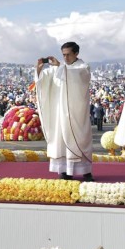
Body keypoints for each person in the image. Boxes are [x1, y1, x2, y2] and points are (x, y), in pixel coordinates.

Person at [35, 41, 94, 181]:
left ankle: (85, 171)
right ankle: (64, 170)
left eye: (68, 55)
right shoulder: (60, 68)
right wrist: (39, 69)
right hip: (60, 115)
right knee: (60, 140)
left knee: (79, 140)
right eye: (63, 55)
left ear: (76, 53)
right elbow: (44, 80)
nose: (65, 58)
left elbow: (76, 76)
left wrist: (60, 67)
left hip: (75, 114)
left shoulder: (82, 67)